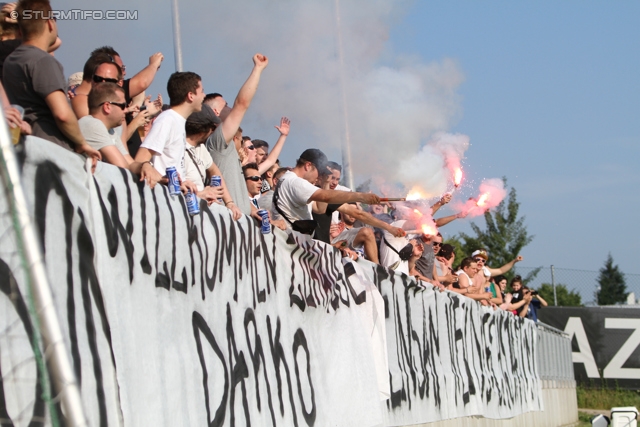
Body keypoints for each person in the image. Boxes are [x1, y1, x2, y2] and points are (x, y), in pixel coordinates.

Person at [3, 0, 100, 165]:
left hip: (25, 151)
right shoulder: (42, 61)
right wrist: (82, 143)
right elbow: (62, 114)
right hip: (52, 154)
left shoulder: (10, 61)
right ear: (50, 23)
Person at [206, 54, 268, 216]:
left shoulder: (226, 146)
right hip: (229, 227)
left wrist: (253, 212)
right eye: (225, 105)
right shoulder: (217, 141)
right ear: (215, 112)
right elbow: (242, 104)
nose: (230, 108)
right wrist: (258, 69)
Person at [272, 148, 381, 234]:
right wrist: (360, 196)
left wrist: (325, 183)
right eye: (319, 172)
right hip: (291, 239)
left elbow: (320, 209)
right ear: (308, 166)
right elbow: (326, 196)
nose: (319, 176)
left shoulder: (289, 179)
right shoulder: (296, 182)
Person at [78, 82, 161, 185]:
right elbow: (123, 167)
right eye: (123, 105)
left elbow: (130, 163)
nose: (126, 110)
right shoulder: (92, 124)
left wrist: (153, 172)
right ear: (107, 106)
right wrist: (143, 167)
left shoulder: (110, 131)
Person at [134, 71, 203, 192]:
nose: (204, 96)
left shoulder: (176, 120)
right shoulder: (167, 120)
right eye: (202, 91)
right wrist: (161, 179)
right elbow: (141, 158)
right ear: (190, 95)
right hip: (161, 199)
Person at [183, 104, 242, 219]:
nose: (213, 132)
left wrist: (229, 202)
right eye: (213, 128)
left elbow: (214, 170)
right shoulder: (177, 149)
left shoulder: (200, 148)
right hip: (183, 215)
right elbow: (170, 187)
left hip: (199, 216)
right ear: (204, 130)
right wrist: (200, 195)